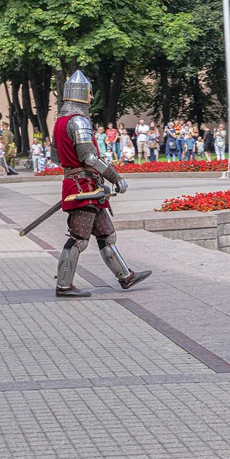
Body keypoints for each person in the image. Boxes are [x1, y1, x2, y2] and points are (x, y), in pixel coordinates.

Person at [50, 69, 151, 297]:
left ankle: (125, 276)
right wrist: (115, 177)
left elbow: (57, 157)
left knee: (107, 235)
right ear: (79, 94)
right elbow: (90, 158)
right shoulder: (77, 121)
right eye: (88, 93)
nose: (91, 98)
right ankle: (64, 286)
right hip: (82, 187)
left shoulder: (60, 122)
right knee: (78, 239)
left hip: (86, 185)